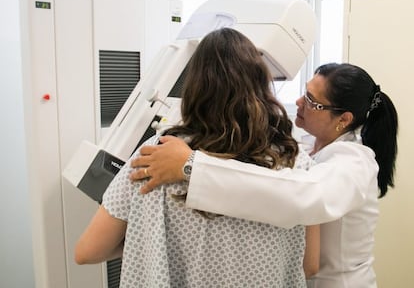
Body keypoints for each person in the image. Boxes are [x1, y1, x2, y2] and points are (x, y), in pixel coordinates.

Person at [75, 27, 319, 287]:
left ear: (194, 87)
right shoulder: (295, 161)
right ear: (260, 85)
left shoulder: (157, 155)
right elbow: (310, 264)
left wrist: (145, 238)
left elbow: (88, 251)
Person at [130, 62, 399, 288]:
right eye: (304, 93)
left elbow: (301, 195)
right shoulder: (307, 146)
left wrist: (191, 166)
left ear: (344, 119)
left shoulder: (355, 162)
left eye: (311, 101)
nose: (298, 102)